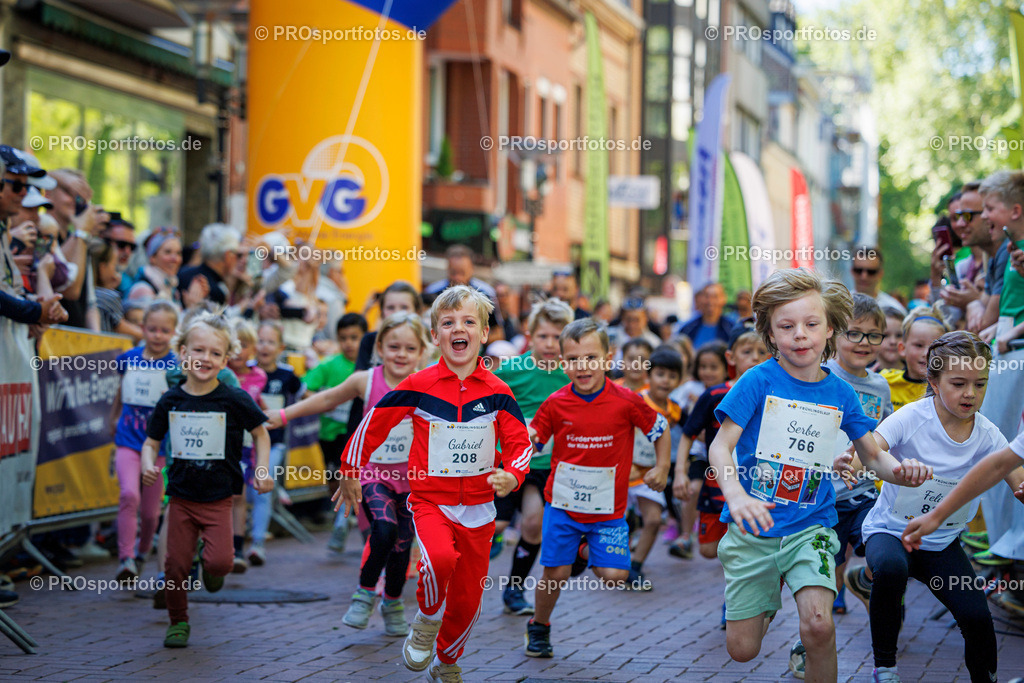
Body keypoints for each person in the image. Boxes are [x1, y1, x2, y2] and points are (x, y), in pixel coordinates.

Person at [709, 268, 931, 681]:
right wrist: (737, 495)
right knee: (742, 650)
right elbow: (720, 446)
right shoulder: (757, 381)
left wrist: (903, 472)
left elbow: (874, 456)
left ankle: (809, 642)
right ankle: (767, 600)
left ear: (830, 329)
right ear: (771, 334)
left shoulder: (841, 393)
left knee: (819, 626)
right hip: (754, 530)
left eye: (811, 324)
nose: (800, 335)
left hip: (811, 526)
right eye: (787, 326)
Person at [331, 285, 533, 682]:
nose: (459, 329)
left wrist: (513, 473)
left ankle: (448, 662)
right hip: (430, 502)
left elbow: (520, 443)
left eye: (469, 322)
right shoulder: (417, 384)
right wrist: (349, 469)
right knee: (439, 559)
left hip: (479, 507)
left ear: (485, 333)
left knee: (469, 595)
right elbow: (373, 424)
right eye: (448, 323)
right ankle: (425, 618)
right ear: (436, 336)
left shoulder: (498, 392)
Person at [854, 332, 1019, 683]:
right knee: (890, 569)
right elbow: (871, 449)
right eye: (958, 383)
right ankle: (885, 666)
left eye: (980, 384)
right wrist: (854, 460)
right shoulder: (913, 416)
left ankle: (983, 678)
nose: (970, 394)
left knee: (976, 616)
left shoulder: (988, 434)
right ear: (933, 380)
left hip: (941, 543)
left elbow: (1015, 474)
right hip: (891, 532)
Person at [268, 312, 431, 636]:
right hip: (370, 474)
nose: (401, 354)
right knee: (383, 530)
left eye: (409, 349)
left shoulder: (426, 384)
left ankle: (393, 601)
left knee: (402, 545)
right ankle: (365, 592)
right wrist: (283, 415)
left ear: (421, 352)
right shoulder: (366, 380)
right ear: (380, 348)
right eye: (393, 346)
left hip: (411, 480)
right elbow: (327, 398)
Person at [523, 317, 670, 658]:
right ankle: (539, 626)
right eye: (573, 360)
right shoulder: (556, 402)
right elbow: (535, 439)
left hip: (608, 510)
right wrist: (523, 446)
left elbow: (660, 430)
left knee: (615, 575)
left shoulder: (627, 400)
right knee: (555, 572)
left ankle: (584, 548)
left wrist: (662, 467)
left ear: (608, 358)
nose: (583, 366)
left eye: (591, 358)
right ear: (563, 364)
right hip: (562, 505)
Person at [140, 311, 273, 648]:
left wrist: (262, 469)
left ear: (226, 359)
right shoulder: (170, 400)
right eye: (198, 350)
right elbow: (152, 441)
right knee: (175, 566)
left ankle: (212, 567)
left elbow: (261, 433)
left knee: (221, 562)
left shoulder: (234, 398)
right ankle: (178, 621)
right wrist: (147, 464)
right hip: (181, 497)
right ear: (182, 352)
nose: (205, 358)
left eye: (215, 353)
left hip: (218, 499)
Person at [787, 294, 894, 676]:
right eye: (855, 333)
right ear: (834, 334)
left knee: (886, 554)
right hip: (823, 497)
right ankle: (810, 641)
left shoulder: (881, 387)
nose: (864, 343)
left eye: (873, 335)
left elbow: (885, 433)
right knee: (826, 576)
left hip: (863, 493)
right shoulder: (821, 376)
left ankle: (865, 580)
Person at [491, 298, 573, 615]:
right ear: (530, 335)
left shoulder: (571, 373)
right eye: (543, 337)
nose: (550, 344)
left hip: (545, 465)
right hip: (507, 461)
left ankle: (514, 590)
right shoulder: (512, 369)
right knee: (496, 525)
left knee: (533, 525)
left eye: (557, 337)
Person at [108, 300, 178, 582]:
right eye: (152, 329)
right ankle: (125, 558)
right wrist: (112, 417)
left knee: (151, 512)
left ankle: (143, 551)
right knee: (128, 496)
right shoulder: (128, 358)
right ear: (142, 329)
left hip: (159, 446)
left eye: (164, 330)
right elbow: (119, 390)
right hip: (128, 439)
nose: (157, 336)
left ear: (174, 333)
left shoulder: (176, 366)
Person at [302, 312, 367, 552]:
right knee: (334, 480)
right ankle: (343, 514)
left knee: (352, 477)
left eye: (354, 337)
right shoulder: (330, 365)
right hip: (329, 433)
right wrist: (326, 401)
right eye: (344, 338)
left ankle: (342, 524)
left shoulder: (371, 366)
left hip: (356, 435)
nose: (349, 343)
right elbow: (304, 387)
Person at [627, 344, 685, 589]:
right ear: (648, 375)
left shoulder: (674, 410)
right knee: (615, 521)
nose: (666, 381)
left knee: (652, 520)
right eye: (660, 374)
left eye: (672, 376)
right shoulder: (635, 399)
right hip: (621, 472)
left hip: (649, 474)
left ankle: (635, 567)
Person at [248, 320, 302, 566]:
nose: (264, 346)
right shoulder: (244, 371)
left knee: (261, 488)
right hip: (244, 443)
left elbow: (305, 395)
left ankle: (257, 542)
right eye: (260, 340)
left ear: (281, 347)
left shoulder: (287, 375)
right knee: (243, 491)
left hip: (274, 442)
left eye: (271, 342)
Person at [670, 341, 729, 558]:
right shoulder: (692, 389)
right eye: (703, 367)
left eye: (713, 367)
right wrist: (693, 417)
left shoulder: (732, 391)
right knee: (693, 489)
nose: (707, 372)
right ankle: (686, 535)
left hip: (727, 460)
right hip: (701, 454)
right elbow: (673, 408)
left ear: (726, 366)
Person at [227, 319, 268, 573]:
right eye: (234, 345)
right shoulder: (220, 375)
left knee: (240, 496)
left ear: (252, 348)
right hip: (217, 444)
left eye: (244, 345)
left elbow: (258, 407)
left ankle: (238, 548)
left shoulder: (258, 377)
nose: (238, 351)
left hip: (244, 448)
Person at [978, 171, 1024, 352]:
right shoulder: (1010, 248)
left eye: (989, 209)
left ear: (1015, 211)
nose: (983, 216)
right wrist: (998, 328)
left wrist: (1015, 332)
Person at [880, 305, 951, 412]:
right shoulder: (884, 381)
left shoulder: (947, 389)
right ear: (902, 348)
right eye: (919, 345)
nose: (926, 353)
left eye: (934, 347)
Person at [422, 244, 504, 331]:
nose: (458, 278)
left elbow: (497, 331)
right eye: (453, 273)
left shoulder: (485, 293)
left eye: (462, 273)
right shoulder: (432, 292)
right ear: (447, 269)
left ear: (472, 269)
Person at [355, 281, 423, 370]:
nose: (397, 312)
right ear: (382, 311)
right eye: (390, 307)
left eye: (404, 307)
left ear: (416, 311)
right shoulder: (369, 340)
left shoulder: (425, 341)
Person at [176, 223, 242, 306]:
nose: (239, 260)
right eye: (238, 255)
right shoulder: (214, 289)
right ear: (228, 256)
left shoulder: (182, 273)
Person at [851, 247, 907, 317]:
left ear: (880, 273)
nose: (864, 277)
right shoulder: (839, 306)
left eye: (871, 272)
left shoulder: (896, 310)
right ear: (852, 271)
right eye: (858, 270)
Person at [873, 307, 905, 373]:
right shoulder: (864, 372)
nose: (893, 342)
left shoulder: (914, 374)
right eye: (885, 335)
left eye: (899, 335)